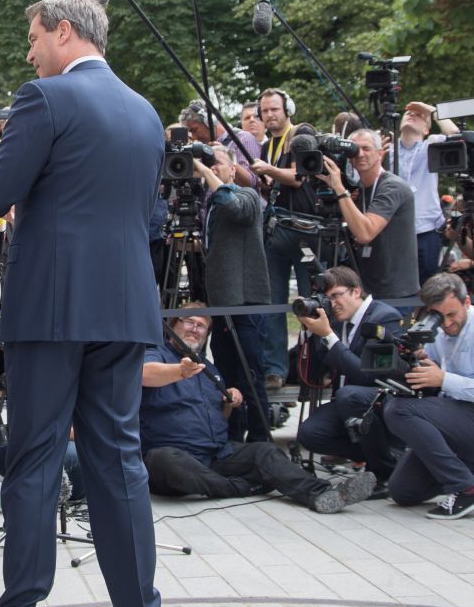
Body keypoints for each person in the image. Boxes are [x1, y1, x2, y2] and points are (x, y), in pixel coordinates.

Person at [0, 0, 164, 607]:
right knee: (120, 458)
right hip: (126, 304)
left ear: (64, 31)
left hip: (52, 306)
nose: (28, 52)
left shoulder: (44, 99)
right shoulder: (145, 111)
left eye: (33, 38)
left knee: (36, 456)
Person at [298, 273, 474, 520]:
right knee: (401, 491)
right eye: (439, 316)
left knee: (399, 410)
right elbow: (424, 368)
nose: (446, 324)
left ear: (467, 302)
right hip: (457, 426)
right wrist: (415, 360)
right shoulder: (438, 329)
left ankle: (466, 488)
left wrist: (444, 379)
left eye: (452, 315)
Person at [141, 311, 375, 513]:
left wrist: (229, 403)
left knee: (266, 452)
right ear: (174, 325)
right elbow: (145, 373)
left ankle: (324, 494)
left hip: (214, 454)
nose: (194, 329)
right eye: (189, 322)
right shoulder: (157, 354)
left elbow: (217, 419)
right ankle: (245, 487)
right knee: (163, 461)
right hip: (174, 455)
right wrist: (180, 371)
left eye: (201, 326)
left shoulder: (208, 368)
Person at [194, 144, 271, 435]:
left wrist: (204, 171)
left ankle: (261, 442)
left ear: (233, 168)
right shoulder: (207, 203)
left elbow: (234, 208)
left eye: (217, 163)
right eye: (207, 164)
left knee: (250, 378)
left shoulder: (247, 195)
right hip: (221, 303)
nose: (211, 168)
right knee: (227, 379)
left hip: (246, 301)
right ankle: (234, 438)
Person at [246, 89, 316, 387]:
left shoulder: (301, 135)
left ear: (288, 109)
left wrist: (269, 170)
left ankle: (314, 365)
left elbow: (299, 177)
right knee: (272, 300)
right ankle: (275, 369)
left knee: (311, 301)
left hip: (304, 230)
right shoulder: (267, 147)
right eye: (265, 111)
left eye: (275, 109)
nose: (269, 115)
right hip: (275, 229)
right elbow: (272, 187)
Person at [314, 129, 419, 303]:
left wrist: (340, 190)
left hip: (395, 292)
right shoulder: (358, 190)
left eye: (366, 148)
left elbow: (365, 233)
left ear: (380, 153)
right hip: (367, 287)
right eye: (355, 149)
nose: (360, 154)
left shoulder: (392, 187)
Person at [293, 267, 404, 389]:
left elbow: (369, 376)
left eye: (336, 295)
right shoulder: (335, 321)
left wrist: (328, 336)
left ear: (356, 292)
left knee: (347, 395)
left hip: (374, 401)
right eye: (327, 299)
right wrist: (310, 330)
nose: (333, 304)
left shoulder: (384, 317)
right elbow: (313, 374)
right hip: (342, 400)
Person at [396, 102, 453, 287]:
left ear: (427, 129)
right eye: (408, 113)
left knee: (428, 288)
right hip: (392, 230)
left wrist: (433, 111)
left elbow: (455, 136)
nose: (411, 115)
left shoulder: (432, 145)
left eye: (419, 115)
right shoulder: (386, 149)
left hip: (425, 230)